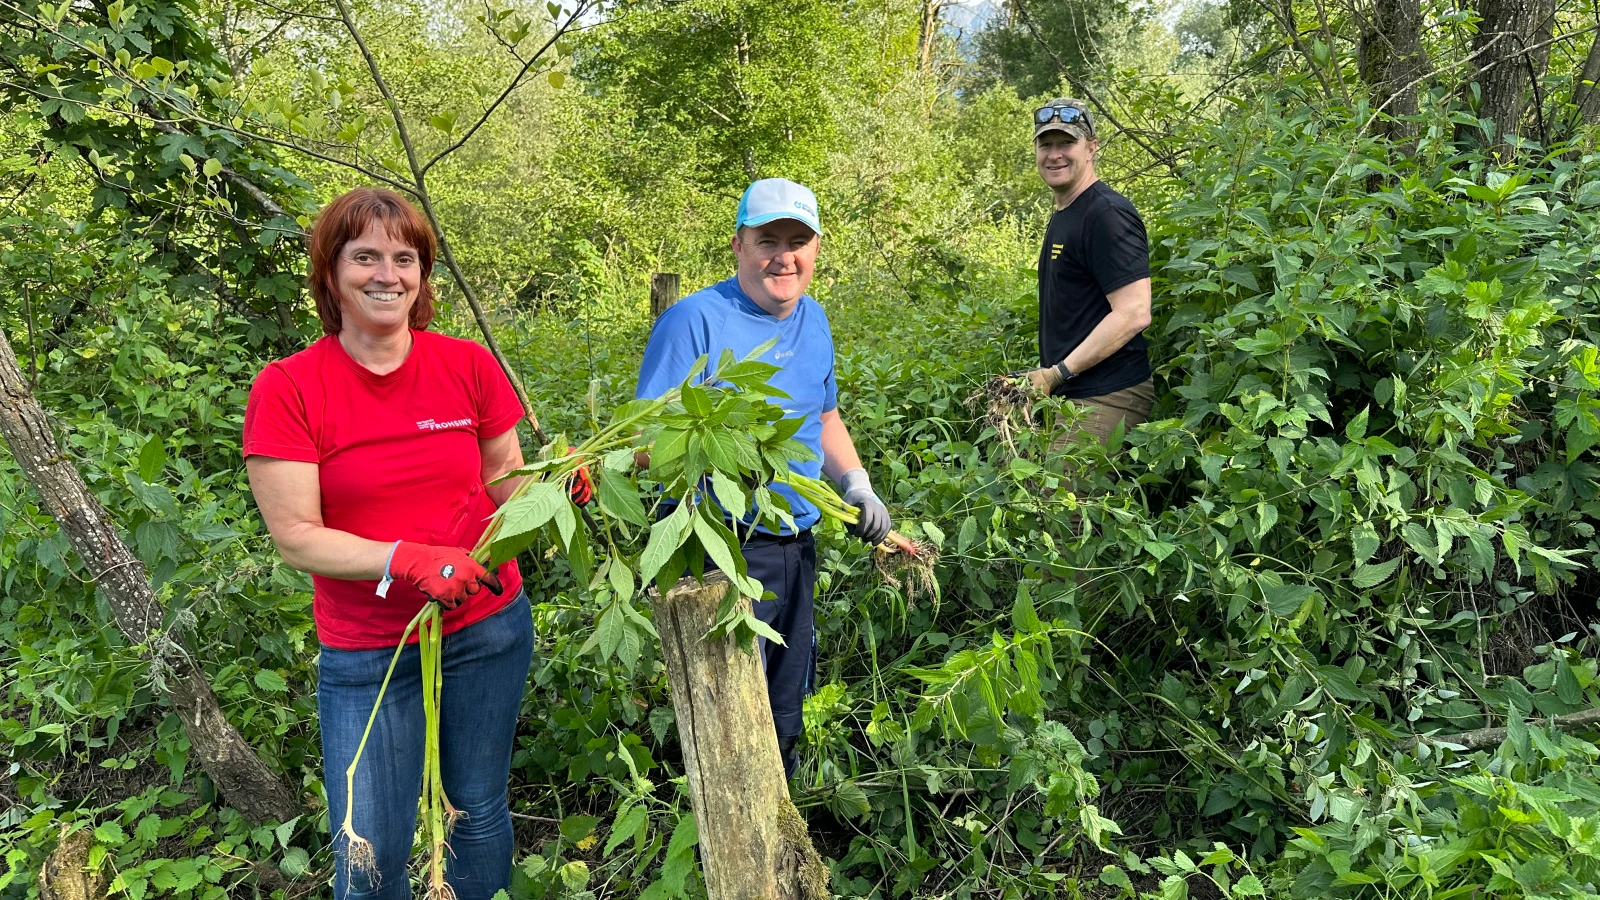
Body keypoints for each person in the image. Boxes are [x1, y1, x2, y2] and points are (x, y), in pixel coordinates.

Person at [242, 188, 584, 900]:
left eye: (405, 259)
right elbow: (296, 537)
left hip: (486, 625)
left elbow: (504, 481)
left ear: (423, 276)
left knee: (477, 810)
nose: (386, 274)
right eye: (364, 256)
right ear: (331, 273)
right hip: (369, 651)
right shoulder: (290, 389)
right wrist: (407, 559)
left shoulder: (466, 366)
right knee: (371, 849)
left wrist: (556, 491)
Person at [633, 178, 891, 777]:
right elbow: (643, 444)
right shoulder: (693, 321)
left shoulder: (815, 320)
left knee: (784, 708)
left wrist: (856, 481)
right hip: (715, 548)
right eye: (767, 240)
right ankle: (722, 848)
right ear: (738, 245)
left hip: (794, 544)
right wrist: (725, 446)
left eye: (798, 241)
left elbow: (823, 415)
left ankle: (785, 837)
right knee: (726, 717)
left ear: (817, 248)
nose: (784, 256)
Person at [1017, 98, 1155, 446]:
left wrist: (1057, 373)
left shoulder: (1106, 214)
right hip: (1071, 394)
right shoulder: (1067, 212)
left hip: (1108, 394)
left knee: (1059, 499)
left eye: (1066, 143)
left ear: (1091, 147)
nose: (1054, 154)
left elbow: (1135, 312)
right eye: (1045, 144)